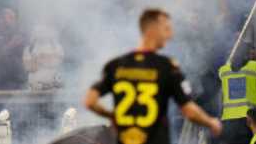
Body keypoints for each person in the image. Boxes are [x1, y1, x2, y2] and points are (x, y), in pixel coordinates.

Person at [84, 9, 222, 144]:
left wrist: (112, 116)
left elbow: (90, 101)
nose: (170, 35)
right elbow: (189, 111)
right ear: (152, 31)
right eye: (166, 29)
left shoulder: (115, 65)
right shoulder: (167, 67)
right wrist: (211, 122)